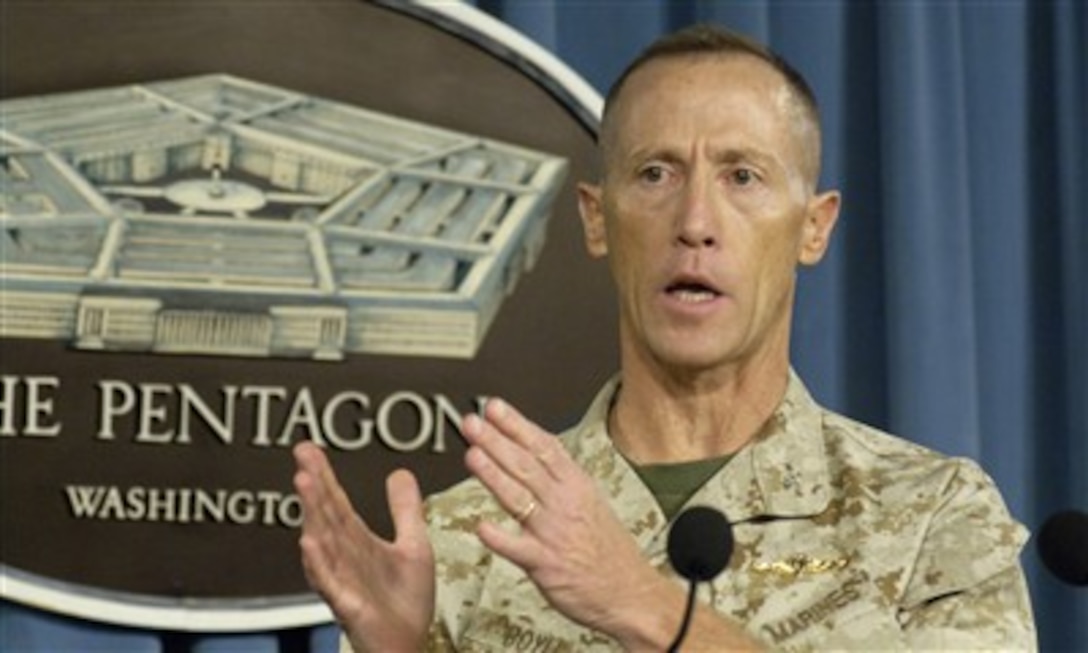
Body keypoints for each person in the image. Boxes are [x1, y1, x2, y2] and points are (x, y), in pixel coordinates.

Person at [293, 24, 1037, 651]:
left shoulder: (934, 513)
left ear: (815, 226)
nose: (695, 222)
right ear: (595, 217)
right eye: (655, 173)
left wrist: (645, 605)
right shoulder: (462, 539)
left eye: (742, 176)